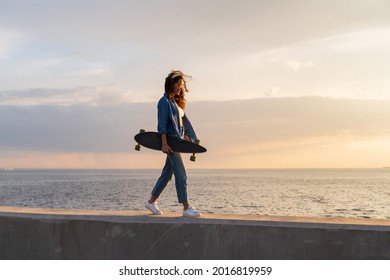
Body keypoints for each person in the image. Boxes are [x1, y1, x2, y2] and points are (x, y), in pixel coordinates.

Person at [145, 70, 202, 217]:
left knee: (166, 175)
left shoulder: (174, 102)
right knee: (181, 174)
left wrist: (187, 137)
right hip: (170, 143)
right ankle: (186, 207)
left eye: (182, 85)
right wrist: (164, 144)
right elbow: (162, 125)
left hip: (176, 141)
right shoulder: (163, 102)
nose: (181, 88)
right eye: (179, 84)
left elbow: (182, 124)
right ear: (172, 84)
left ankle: (151, 202)